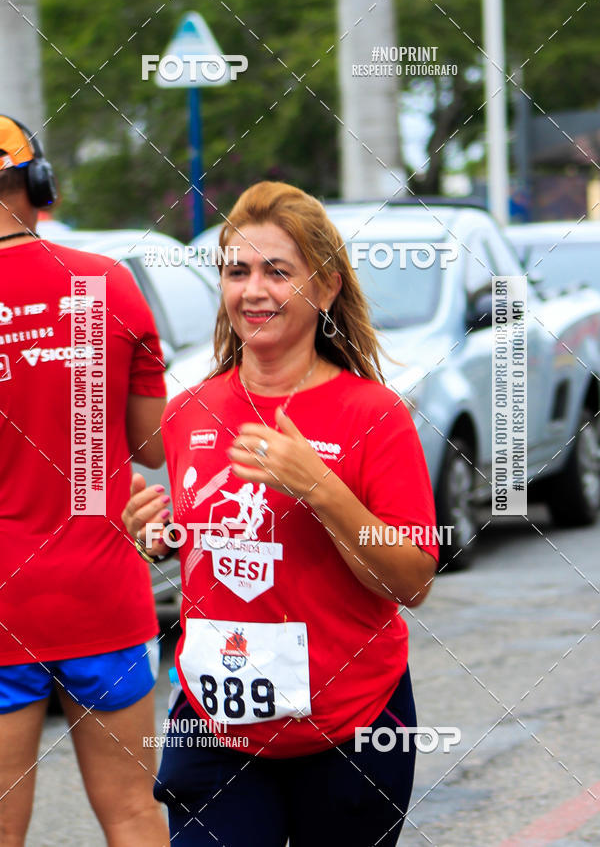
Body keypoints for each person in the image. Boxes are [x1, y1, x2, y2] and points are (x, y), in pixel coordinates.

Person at [123, 181, 438, 846]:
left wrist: (322, 488)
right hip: (215, 724)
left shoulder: (374, 417)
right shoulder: (191, 411)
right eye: (238, 271)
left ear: (323, 289)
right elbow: (213, 538)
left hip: (353, 726)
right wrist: (159, 536)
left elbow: (412, 580)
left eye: (277, 271)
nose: (253, 290)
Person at [0, 116, 169, 846]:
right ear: (40, 186)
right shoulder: (108, 283)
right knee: (132, 812)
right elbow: (154, 447)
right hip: (104, 595)